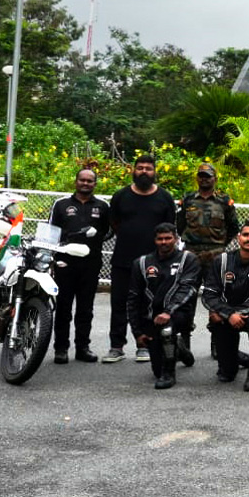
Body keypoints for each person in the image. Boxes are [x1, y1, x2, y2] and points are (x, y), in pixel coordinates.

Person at [106, 154, 178, 364]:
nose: (144, 171)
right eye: (140, 168)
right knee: (119, 303)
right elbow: (115, 223)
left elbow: (169, 229)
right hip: (123, 259)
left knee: (148, 304)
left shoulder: (164, 198)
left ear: (155, 172)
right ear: (133, 170)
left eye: (148, 168)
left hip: (153, 263)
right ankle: (116, 347)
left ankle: (144, 345)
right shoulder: (120, 196)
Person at [202, 220, 249, 392]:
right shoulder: (221, 261)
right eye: (245, 235)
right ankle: (235, 360)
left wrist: (236, 313)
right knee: (226, 376)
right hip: (226, 313)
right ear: (239, 238)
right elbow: (209, 294)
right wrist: (227, 313)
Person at [177, 162, 240, 362]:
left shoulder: (224, 202)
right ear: (197, 178)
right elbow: (180, 226)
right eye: (201, 176)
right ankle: (184, 344)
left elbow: (233, 227)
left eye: (208, 176)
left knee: (217, 299)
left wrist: (220, 245)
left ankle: (217, 344)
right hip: (192, 254)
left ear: (215, 179)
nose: (204, 179)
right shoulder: (187, 200)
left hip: (215, 254)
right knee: (186, 298)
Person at [48, 167, 111, 364]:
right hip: (65, 262)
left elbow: (110, 232)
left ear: (95, 184)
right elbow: (51, 232)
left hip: (90, 264)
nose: (85, 183)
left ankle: (83, 348)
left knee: (85, 309)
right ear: (76, 182)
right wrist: (53, 257)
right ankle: (61, 348)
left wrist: (97, 235)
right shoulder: (61, 204)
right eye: (82, 180)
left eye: (90, 181)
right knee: (64, 307)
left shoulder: (102, 206)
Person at [127, 223, 200, 390]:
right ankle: (180, 348)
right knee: (156, 370)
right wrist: (137, 333)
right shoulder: (141, 263)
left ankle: (170, 374)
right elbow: (133, 299)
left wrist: (168, 312)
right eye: (160, 239)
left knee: (166, 330)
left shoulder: (188, 259)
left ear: (175, 239)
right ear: (155, 240)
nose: (164, 242)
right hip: (152, 318)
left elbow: (188, 289)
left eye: (168, 238)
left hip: (178, 314)